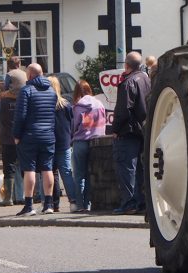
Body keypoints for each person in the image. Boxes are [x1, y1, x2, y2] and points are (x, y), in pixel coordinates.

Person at [12, 63, 57, 216]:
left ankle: (29, 205)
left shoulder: (26, 91)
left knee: (29, 169)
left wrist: (16, 136)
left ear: (29, 75)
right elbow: (53, 115)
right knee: (47, 168)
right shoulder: (52, 91)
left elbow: (20, 116)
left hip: (30, 136)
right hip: (48, 135)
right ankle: (49, 204)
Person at [111, 51, 152, 215]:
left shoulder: (128, 83)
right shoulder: (146, 79)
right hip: (143, 130)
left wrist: (115, 130)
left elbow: (123, 110)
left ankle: (129, 203)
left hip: (128, 131)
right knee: (140, 168)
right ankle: (140, 202)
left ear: (126, 65)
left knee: (127, 168)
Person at [0, 57, 28, 206]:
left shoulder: (9, 74)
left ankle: (8, 198)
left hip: (8, 137)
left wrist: (2, 96)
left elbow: (5, 88)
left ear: (9, 65)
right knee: (23, 166)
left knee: (9, 167)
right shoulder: (24, 74)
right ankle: (22, 196)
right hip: (24, 98)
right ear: (19, 64)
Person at [71, 80, 106, 212]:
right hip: (96, 142)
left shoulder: (78, 106)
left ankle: (80, 206)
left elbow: (75, 126)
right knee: (90, 175)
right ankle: (88, 204)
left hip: (80, 142)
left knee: (79, 176)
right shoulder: (99, 104)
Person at [47, 75, 78, 212]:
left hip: (49, 142)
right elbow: (71, 123)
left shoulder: (46, 104)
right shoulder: (66, 104)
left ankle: (54, 204)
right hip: (64, 142)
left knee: (50, 172)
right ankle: (73, 202)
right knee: (66, 172)